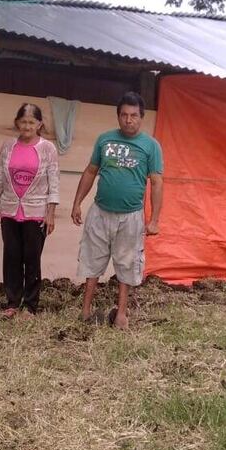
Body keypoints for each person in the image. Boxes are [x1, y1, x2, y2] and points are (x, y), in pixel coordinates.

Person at [71, 92, 163, 330]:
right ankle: (86, 310)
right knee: (92, 260)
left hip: (131, 216)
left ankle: (121, 314)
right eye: (124, 115)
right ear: (118, 116)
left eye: (133, 115)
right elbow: (91, 171)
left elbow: (157, 182)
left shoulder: (151, 146)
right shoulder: (105, 140)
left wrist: (154, 220)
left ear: (141, 118)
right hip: (100, 212)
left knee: (127, 263)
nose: (128, 120)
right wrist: (77, 202)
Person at [0, 103, 59, 316]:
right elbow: (0, 175)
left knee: (32, 257)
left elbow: (53, 181)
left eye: (31, 122)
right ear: (17, 122)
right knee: (11, 257)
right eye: (23, 122)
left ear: (39, 124)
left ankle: (30, 305)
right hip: (10, 209)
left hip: (36, 212)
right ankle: (12, 302)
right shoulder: (8, 146)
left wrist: (51, 213)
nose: (27, 126)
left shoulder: (47, 148)